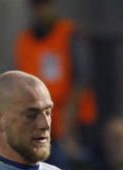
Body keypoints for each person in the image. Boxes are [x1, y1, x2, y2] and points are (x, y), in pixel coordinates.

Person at [14, 0, 97, 143]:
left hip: (75, 120)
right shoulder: (25, 40)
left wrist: (70, 113)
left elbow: (83, 76)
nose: (42, 10)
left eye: (45, 5)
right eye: (37, 6)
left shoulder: (70, 33)